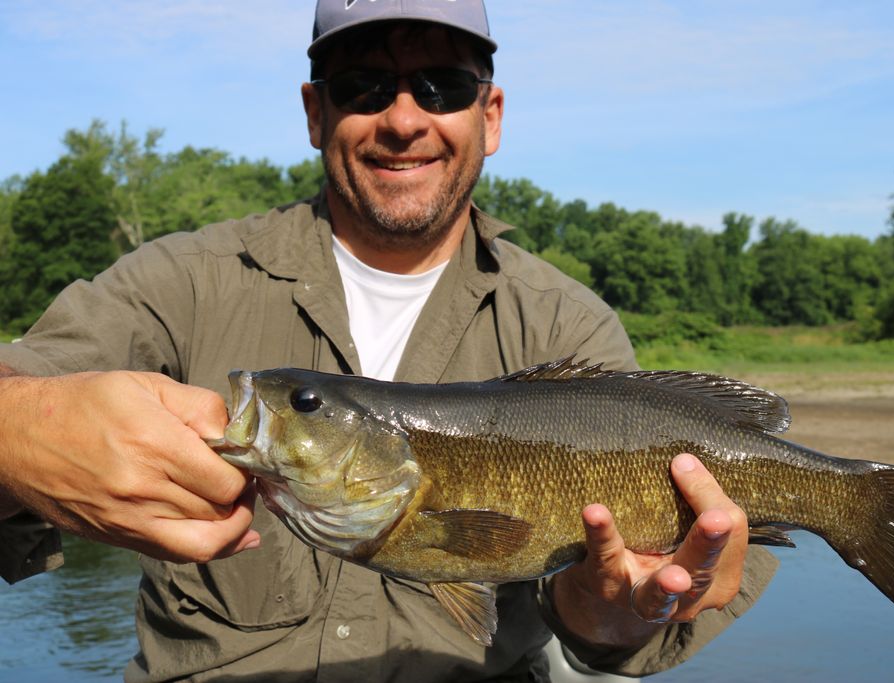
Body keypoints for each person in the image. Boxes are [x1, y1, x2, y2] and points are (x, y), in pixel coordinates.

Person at [0, 1, 778, 680]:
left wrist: (614, 613)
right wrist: (19, 430)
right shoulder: (177, 284)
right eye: (363, 86)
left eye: (442, 85)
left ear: (492, 114)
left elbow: (600, 624)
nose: (403, 118)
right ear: (315, 111)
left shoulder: (566, 324)